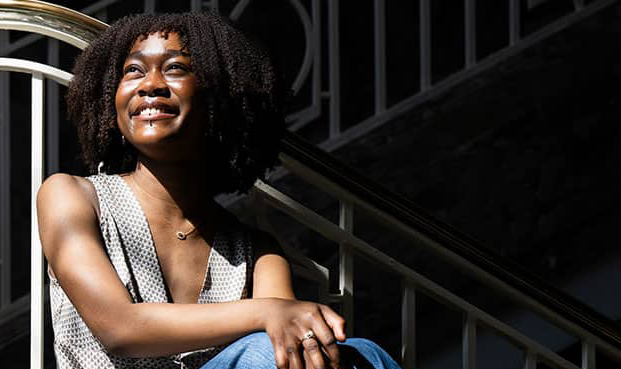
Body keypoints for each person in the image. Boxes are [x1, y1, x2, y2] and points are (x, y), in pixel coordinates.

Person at [37, 12, 403, 369]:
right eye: (133, 70)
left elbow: (292, 346)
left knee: (362, 355)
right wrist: (266, 311)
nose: (149, 84)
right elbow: (119, 328)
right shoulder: (72, 196)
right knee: (262, 351)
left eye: (176, 68)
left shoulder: (257, 253)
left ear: (220, 103)